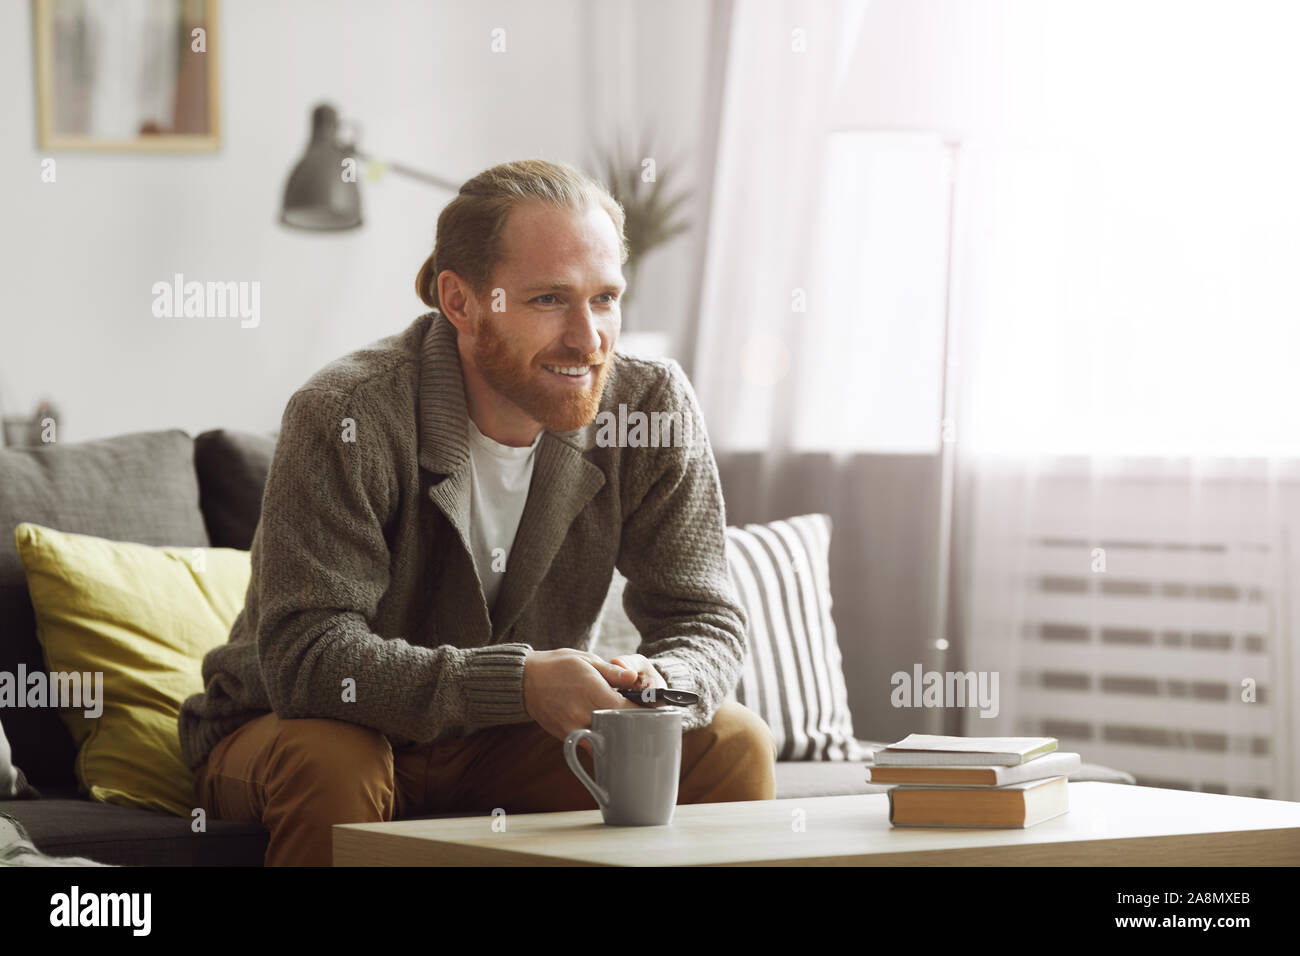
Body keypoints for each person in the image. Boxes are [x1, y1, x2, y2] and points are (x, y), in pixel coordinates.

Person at [177, 159, 776, 866]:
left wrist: (661, 687)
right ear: (460, 303)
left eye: (605, 298)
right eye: (550, 300)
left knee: (728, 743)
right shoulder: (347, 414)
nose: (588, 340)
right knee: (335, 760)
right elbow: (308, 660)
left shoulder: (646, 409)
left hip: (502, 746)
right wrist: (520, 683)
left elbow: (702, 617)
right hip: (299, 729)